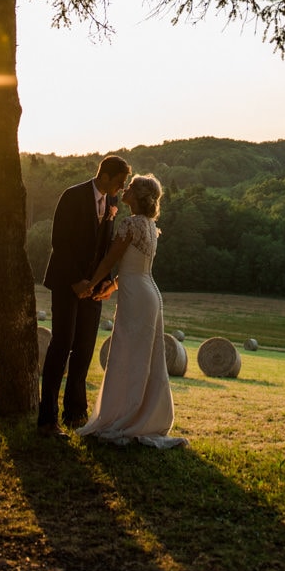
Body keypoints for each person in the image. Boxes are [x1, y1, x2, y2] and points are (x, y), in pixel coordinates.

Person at [75, 173, 187, 449]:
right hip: (150, 293)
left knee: (127, 354)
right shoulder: (150, 226)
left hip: (136, 296)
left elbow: (110, 261)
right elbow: (135, 268)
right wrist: (110, 288)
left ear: (138, 196)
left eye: (131, 187)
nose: (125, 189)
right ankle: (145, 416)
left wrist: (91, 284)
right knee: (147, 358)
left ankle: (125, 417)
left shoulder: (130, 224)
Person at [37, 154, 132, 437]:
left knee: (85, 348)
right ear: (104, 176)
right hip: (68, 283)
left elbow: (104, 249)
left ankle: (75, 413)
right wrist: (76, 281)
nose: (121, 187)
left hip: (93, 288)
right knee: (61, 345)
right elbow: (60, 242)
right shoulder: (72, 196)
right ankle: (47, 418)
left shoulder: (112, 203)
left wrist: (101, 283)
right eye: (119, 181)